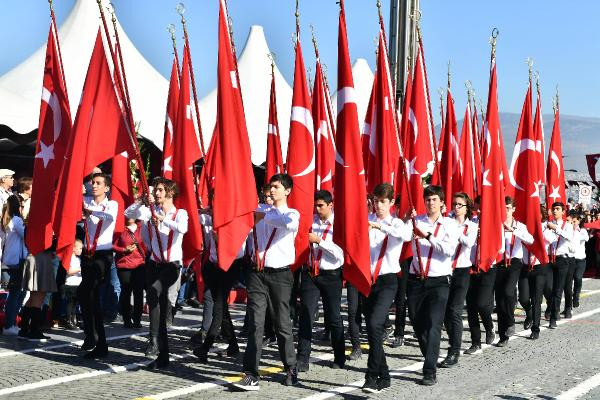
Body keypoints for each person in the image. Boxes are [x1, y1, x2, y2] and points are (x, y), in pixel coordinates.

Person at [233, 173, 299, 391]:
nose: (272, 190)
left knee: (281, 323)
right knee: (255, 324)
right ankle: (251, 373)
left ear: (287, 191)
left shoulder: (291, 213)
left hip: (280, 276)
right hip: (257, 274)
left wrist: (263, 216)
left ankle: (290, 366)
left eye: (277, 187)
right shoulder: (260, 211)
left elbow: (287, 224)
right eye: (270, 186)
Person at [125, 177, 188, 369]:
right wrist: (141, 200)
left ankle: (165, 318)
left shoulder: (180, 213)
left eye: (160, 190)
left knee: (153, 291)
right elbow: (129, 213)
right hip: (154, 263)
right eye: (155, 191)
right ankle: (156, 342)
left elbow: (183, 229)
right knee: (154, 302)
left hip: (172, 265)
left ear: (169, 193)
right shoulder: (150, 211)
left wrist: (163, 220)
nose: (157, 193)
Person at [361, 183, 412, 394]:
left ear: (391, 203)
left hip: (387, 280)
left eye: (383, 201)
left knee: (374, 324)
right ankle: (385, 375)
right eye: (375, 201)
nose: (378, 205)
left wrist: (377, 227)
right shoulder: (367, 221)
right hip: (367, 280)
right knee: (373, 329)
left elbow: (404, 236)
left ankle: (371, 376)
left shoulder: (397, 223)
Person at [407, 185, 458, 386]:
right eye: (427, 199)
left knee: (434, 323)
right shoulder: (415, 220)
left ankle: (429, 370)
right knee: (418, 324)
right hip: (416, 279)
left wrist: (428, 236)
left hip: (438, 280)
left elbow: (448, 250)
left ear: (442, 203)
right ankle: (431, 353)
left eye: (434, 199)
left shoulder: (450, 224)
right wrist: (405, 220)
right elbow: (402, 237)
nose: (430, 203)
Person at [296, 190, 345, 372]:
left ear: (330, 205)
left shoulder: (338, 225)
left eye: (321, 206)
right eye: (315, 205)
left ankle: (339, 355)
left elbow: (340, 254)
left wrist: (319, 241)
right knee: (306, 315)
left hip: (331, 275)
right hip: (310, 274)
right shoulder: (311, 222)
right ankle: (303, 358)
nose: (317, 209)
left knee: (333, 317)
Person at [192, 206, 243, 363]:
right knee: (222, 308)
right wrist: (201, 211)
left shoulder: (235, 222)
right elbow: (191, 215)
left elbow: (239, 250)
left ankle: (205, 347)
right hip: (211, 266)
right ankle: (233, 345)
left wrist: (222, 241)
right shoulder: (207, 219)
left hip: (230, 266)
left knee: (218, 308)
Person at [78, 172, 118, 358]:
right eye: (92, 183)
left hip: (102, 255)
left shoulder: (111, 204)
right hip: (87, 254)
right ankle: (96, 339)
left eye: (98, 183)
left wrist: (90, 212)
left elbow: (109, 217)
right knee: (89, 297)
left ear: (107, 188)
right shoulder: (87, 201)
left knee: (86, 292)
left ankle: (93, 337)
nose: (94, 185)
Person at [438, 192, 477, 368]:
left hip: (462, 270)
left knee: (454, 310)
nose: (456, 207)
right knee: (445, 311)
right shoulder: (447, 221)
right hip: (446, 269)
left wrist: (454, 230)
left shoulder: (472, 225)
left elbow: (468, 243)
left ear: (466, 207)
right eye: (454, 204)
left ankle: (454, 350)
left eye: (460, 205)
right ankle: (452, 339)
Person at [494, 196, 533, 347]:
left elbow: (530, 240)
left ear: (513, 209)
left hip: (515, 262)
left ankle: (510, 321)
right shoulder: (497, 224)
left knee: (509, 292)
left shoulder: (520, 225)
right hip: (499, 262)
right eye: (504, 208)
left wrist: (514, 231)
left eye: (509, 208)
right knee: (500, 298)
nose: (506, 211)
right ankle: (504, 335)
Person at [0, 195, 27, 336]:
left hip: (8, 261)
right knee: (16, 294)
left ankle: (11, 323)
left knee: (16, 293)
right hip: (17, 261)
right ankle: (10, 324)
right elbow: (26, 235)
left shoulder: (6, 219)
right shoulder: (16, 220)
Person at [113, 218, 147, 329]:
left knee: (138, 292)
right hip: (124, 265)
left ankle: (137, 319)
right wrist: (123, 250)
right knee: (126, 292)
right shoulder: (119, 229)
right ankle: (127, 319)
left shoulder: (143, 228)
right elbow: (112, 245)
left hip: (140, 265)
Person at [546, 202, 574, 329]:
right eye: (554, 209)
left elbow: (568, 237)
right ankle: (550, 308)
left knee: (557, 290)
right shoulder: (548, 224)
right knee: (547, 288)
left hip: (562, 261)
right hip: (549, 259)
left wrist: (555, 228)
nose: (555, 211)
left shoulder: (567, 225)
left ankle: (553, 317)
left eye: (558, 209)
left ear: (563, 212)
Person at [570, 213, 589, 310]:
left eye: (575, 221)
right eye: (571, 222)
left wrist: (574, 232)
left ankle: (576, 296)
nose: (573, 223)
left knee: (578, 278)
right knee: (568, 282)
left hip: (580, 260)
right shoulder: (568, 231)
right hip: (570, 260)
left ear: (579, 221)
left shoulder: (582, 231)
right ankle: (568, 305)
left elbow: (586, 238)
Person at [64, 239, 83, 330]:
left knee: (75, 304)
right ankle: (69, 321)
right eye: (79, 248)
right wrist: (79, 269)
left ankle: (74, 320)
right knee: (70, 303)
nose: (81, 250)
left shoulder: (78, 259)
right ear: (73, 248)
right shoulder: (70, 258)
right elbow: (69, 271)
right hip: (71, 284)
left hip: (77, 284)